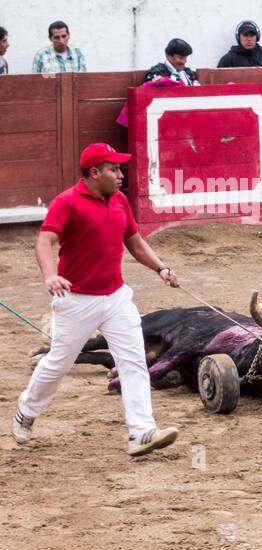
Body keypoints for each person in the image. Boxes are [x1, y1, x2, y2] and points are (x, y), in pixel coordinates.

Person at [13, 143, 182, 457]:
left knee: (132, 360)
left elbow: (134, 241)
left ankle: (142, 432)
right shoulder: (67, 202)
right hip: (75, 300)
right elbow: (44, 241)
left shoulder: (119, 201)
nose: (120, 175)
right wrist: (50, 275)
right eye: (113, 169)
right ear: (94, 173)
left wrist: (161, 267)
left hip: (116, 297)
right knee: (58, 364)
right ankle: (26, 410)